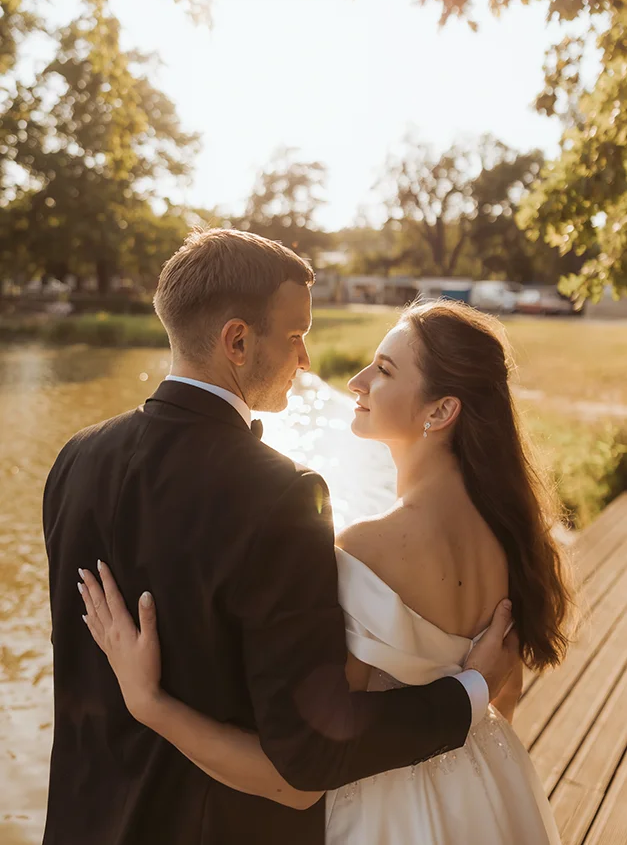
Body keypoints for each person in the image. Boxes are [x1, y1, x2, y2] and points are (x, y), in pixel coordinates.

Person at [43, 229, 517, 845]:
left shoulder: (73, 460)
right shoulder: (284, 494)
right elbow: (311, 753)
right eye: (295, 336)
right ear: (237, 341)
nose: (307, 360)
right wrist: (471, 692)